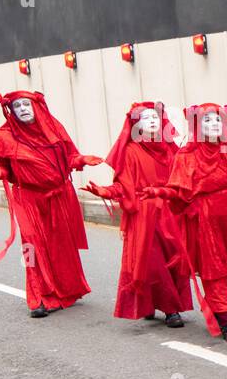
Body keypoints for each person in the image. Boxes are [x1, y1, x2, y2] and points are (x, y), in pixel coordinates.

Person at [0, 91, 98, 316]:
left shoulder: (53, 129)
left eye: (27, 104)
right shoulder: (3, 137)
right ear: (12, 111)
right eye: (17, 106)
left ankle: (67, 290)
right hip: (27, 198)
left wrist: (81, 160)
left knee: (61, 246)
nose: (23, 109)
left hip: (58, 197)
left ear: (36, 106)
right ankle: (39, 297)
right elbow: (4, 167)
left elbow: (69, 157)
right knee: (32, 247)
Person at [144, 103, 227, 343]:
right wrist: (160, 192)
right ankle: (226, 320)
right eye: (207, 121)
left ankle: (224, 307)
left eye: (218, 121)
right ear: (198, 126)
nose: (214, 125)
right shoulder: (187, 155)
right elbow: (178, 192)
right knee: (215, 273)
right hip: (207, 222)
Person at [82, 101, 191, 328]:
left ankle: (155, 303)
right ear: (136, 125)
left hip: (171, 213)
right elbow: (124, 186)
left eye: (155, 117)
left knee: (172, 261)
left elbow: (184, 179)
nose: (152, 121)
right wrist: (105, 191)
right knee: (151, 262)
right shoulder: (131, 151)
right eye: (146, 118)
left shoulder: (171, 148)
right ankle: (170, 309)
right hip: (144, 214)